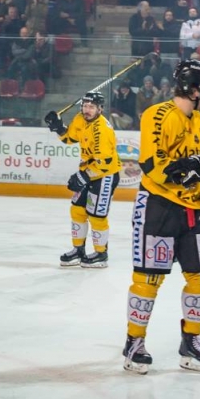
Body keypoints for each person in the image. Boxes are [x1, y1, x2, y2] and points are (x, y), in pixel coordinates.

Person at [122, 59, 200, 375]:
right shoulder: (158, 114)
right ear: (193, 89)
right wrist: (185, 176)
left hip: (193, 209)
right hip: (158, 206)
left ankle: (191, 339)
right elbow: (151, 162)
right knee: (149, 278)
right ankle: (134, 342)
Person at [44, 92, 121, 268]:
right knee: (77, 210)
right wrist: (58, 127)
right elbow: (70, 138)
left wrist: (84, 176)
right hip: (88, 171)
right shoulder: (80, 118)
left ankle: (101, 254)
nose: (87, 110)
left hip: (105, 175)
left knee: (96, 216)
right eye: (85, 106)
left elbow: (105, 163)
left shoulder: (103, 130)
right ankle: (78, 250)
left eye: (91, 107)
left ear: (100, 109)